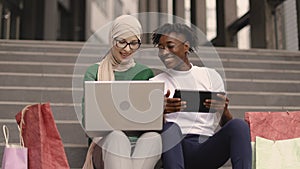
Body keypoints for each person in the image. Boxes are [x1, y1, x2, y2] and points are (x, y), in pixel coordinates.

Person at [150, 23, 252, 169]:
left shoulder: (210, 76)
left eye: (170, 46)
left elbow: (225, 123)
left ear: (186, 46)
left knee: (239, 125)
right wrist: (161, 110)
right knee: (170, 128)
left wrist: (223, 109)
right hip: (173, 149)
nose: (164, 52)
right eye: (160, 48)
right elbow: (150, 129)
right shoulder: (155, 83)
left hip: (205, 148)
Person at [82, 15, 162, 169]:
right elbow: (89, 122)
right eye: (122, 42)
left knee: (154, 138)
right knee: (118, 137)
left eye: (133, 43)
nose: (127, 49)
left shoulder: (146, 73)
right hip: (106, 145)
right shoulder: (95, 71)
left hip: (139, 145)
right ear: (112, 40)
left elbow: (152, 119)